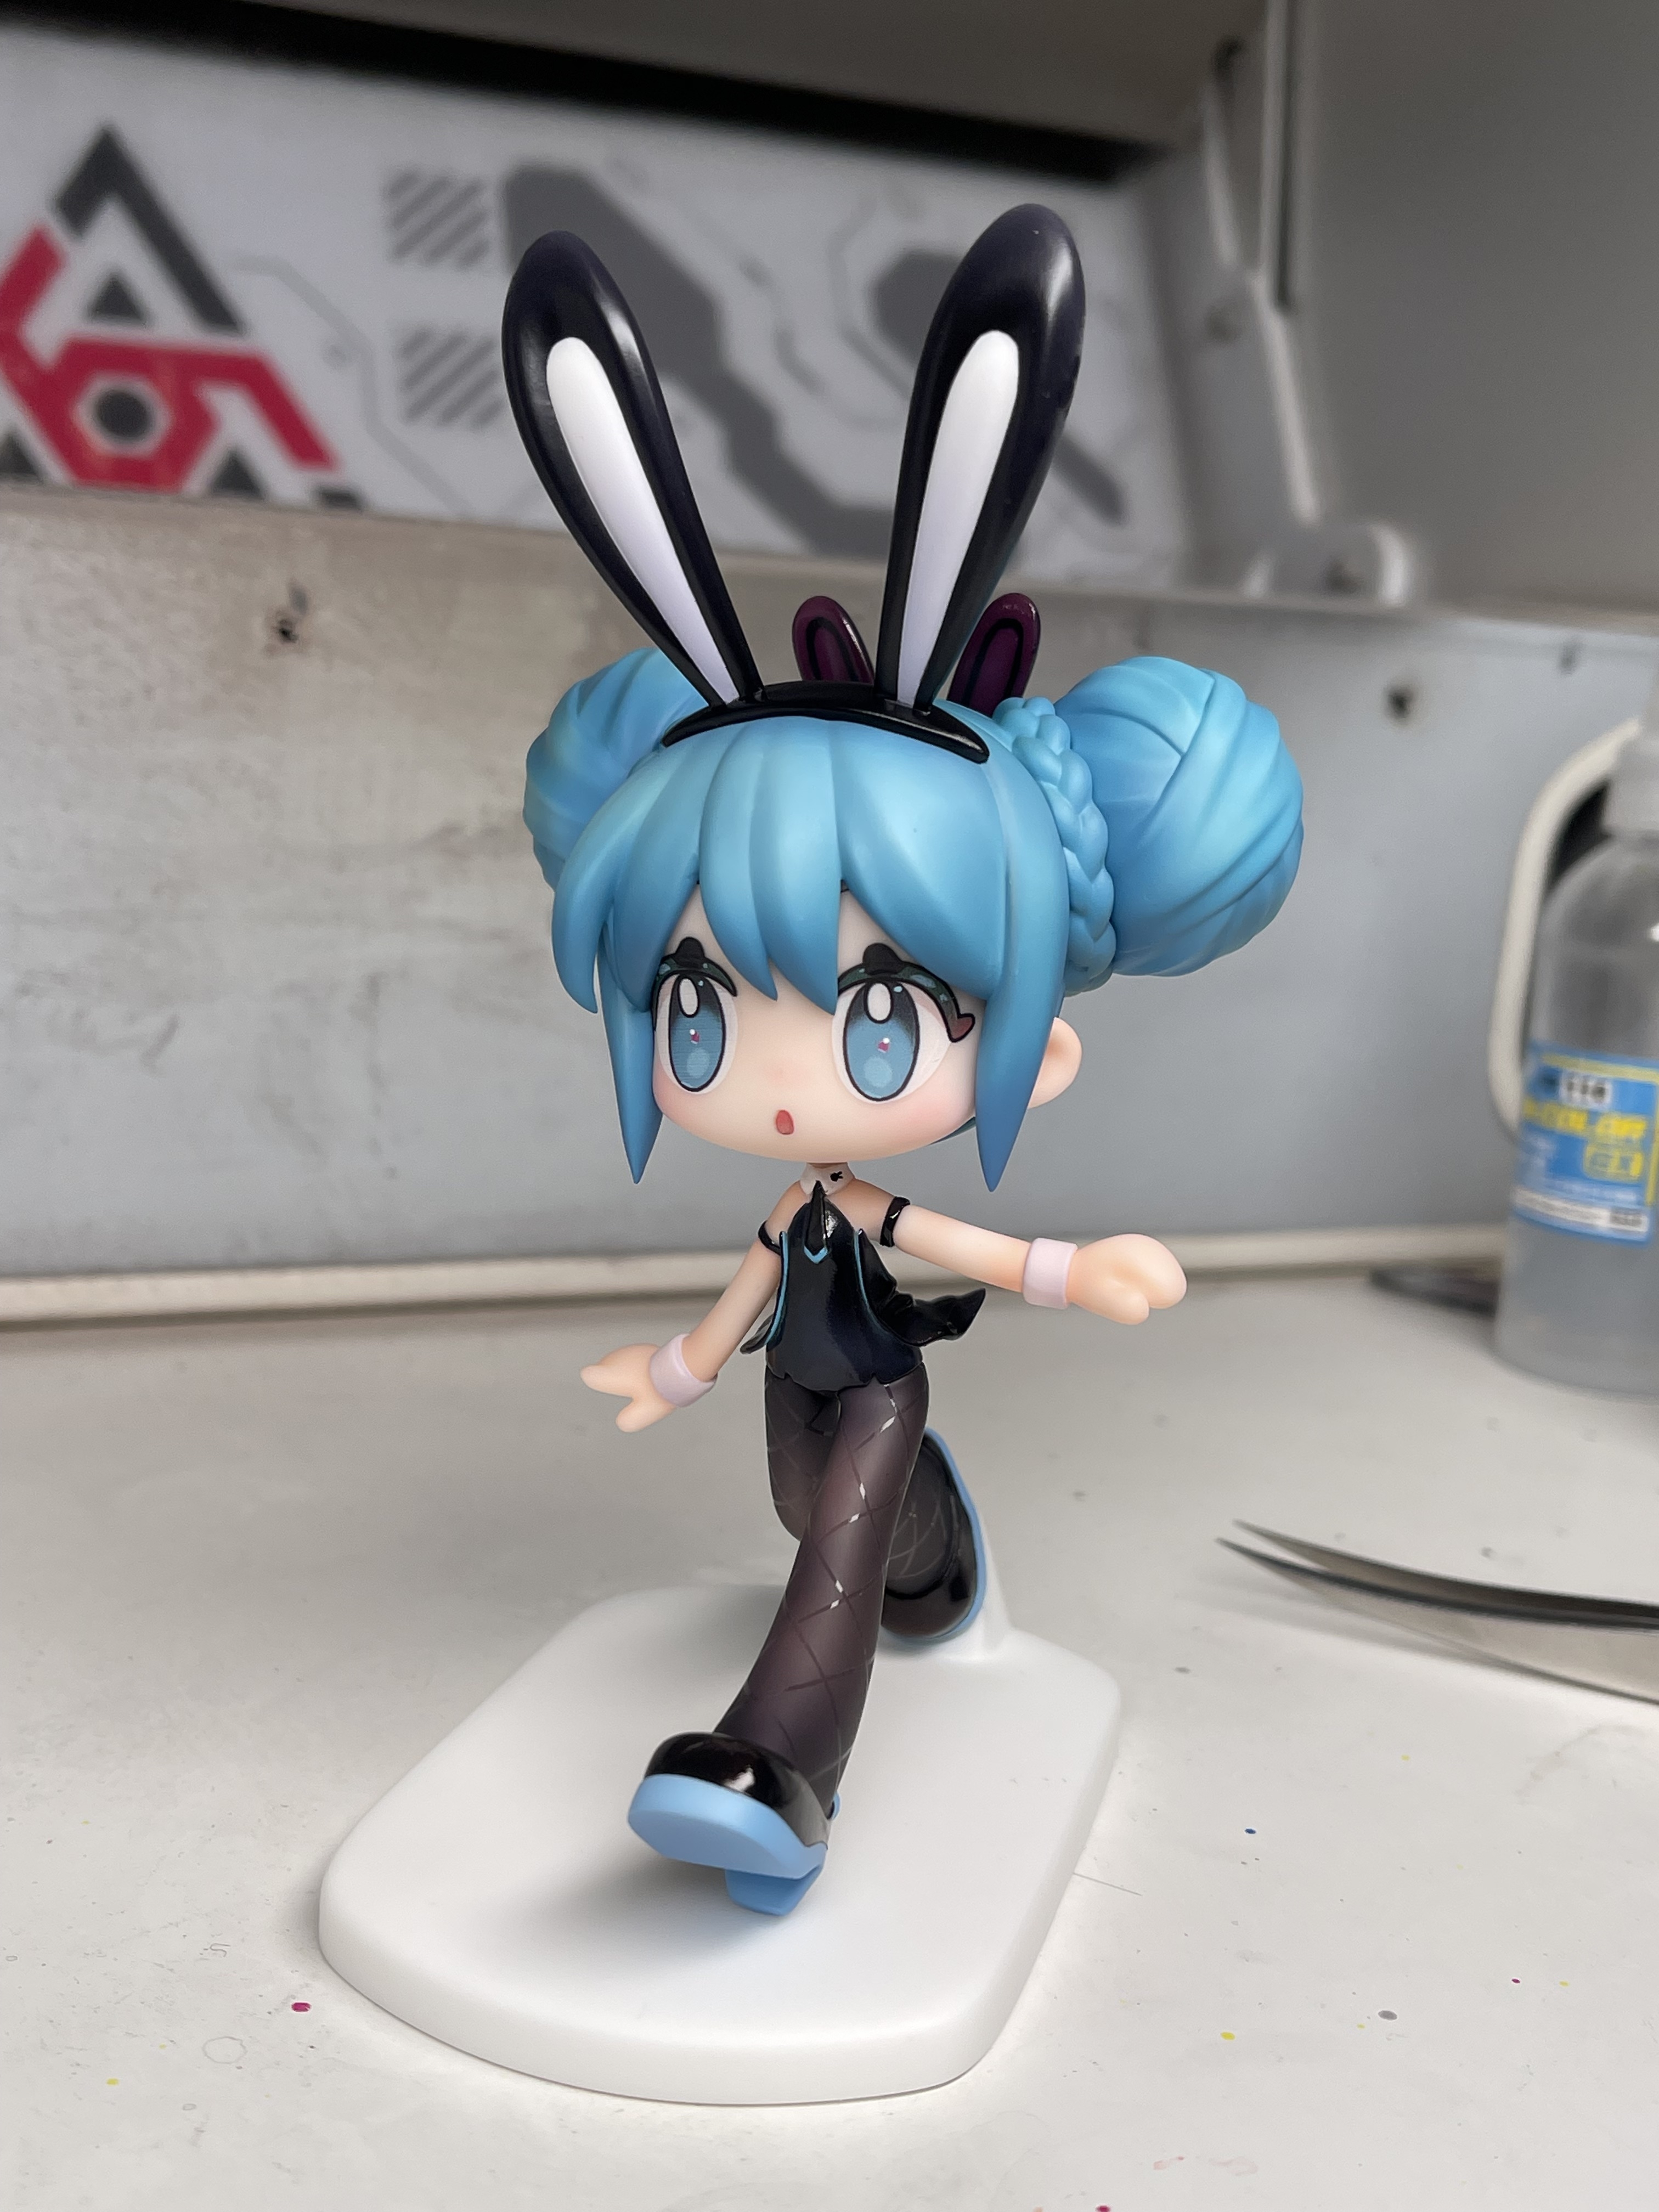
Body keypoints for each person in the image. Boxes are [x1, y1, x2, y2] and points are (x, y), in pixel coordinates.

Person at [503, 205, 1304, 1914]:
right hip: (797, 1402)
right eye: (699, 1000)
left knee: (837, 1556)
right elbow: (752, 1285)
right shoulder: (804, 1203)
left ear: (1043, 1052)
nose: (779, 1073)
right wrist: (675, 1372)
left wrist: (1079, 1268)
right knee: (830, 1520)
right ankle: (944, 1570)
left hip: (875, 1390)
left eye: (878, 1015)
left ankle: (776, 1779)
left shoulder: (866, 1206)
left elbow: (960, 1250)